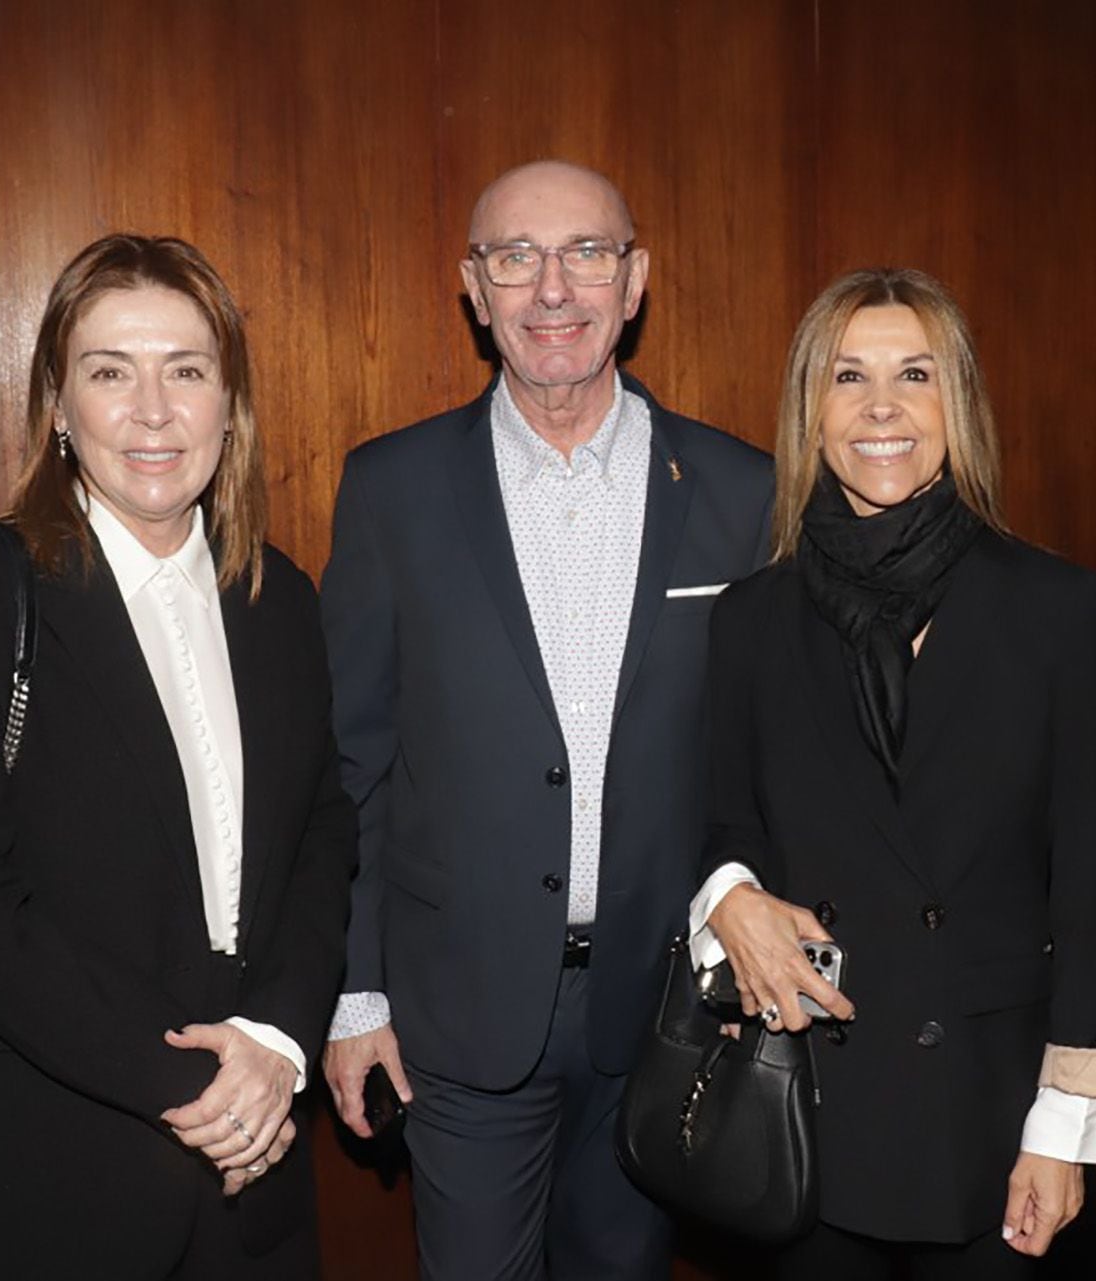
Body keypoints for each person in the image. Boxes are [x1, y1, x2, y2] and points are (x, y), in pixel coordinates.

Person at [318, 159, 773, 1280]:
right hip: (457, 1013)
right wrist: (356, 991)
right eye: (515, 258)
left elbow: (763, 756)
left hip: (663, 1013)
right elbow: (353, 763)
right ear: (475, 289)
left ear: (636, 281)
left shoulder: (738, 489)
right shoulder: (392, 488)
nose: (552, 289)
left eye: (588, 254)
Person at [0, 235, 356, 1279]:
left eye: (186, 371)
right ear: (57, 402)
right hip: (40, 1161)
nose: (151, 410)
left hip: (250, 1167)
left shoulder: (281, 600)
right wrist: (193, 1087)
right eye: (108, 372)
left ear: (230, 406)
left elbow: (324, 831)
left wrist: (275, 1042)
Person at [695, 268, 1096, 1277]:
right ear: (813, 409)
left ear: (957, 403)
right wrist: (730, 898)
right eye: (849, 377)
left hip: (991, 1115)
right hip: (807, 1112)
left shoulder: (1059, 611)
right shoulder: (752, 618)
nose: (881, 407)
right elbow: (725, 828)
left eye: (914, 375)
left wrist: (1064, 1129)